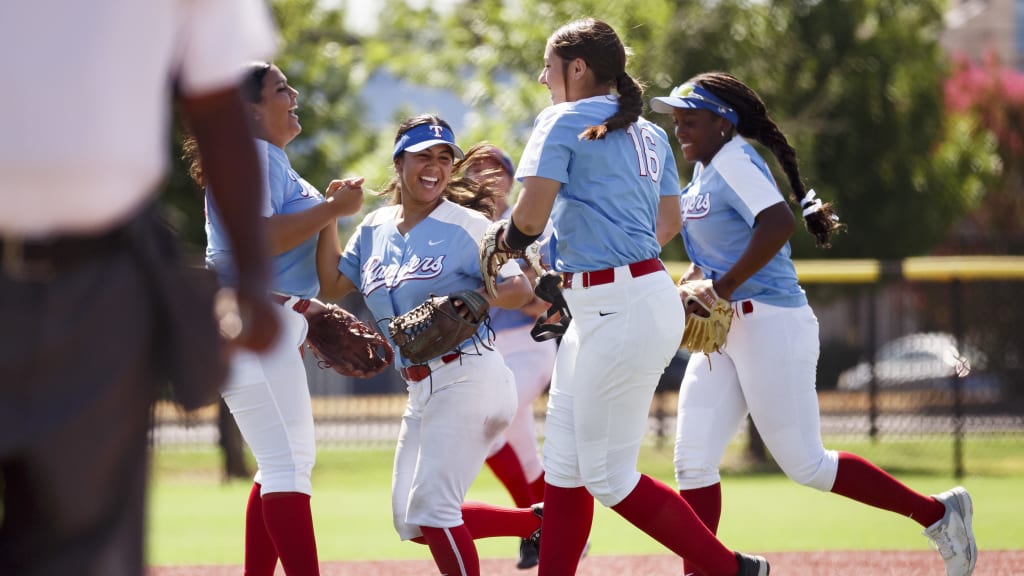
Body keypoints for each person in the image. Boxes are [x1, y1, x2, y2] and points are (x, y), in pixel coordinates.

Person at [650, 72, 977, 576]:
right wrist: (697, 283)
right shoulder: (706, 170)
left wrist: (723, 288)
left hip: (771, 324)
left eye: (689, 118)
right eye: (676, 118)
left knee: (806, 464)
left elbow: (778, 223)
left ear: (723, 121)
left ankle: (938, 514)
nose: (679, 127)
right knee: (692, 460)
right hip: (729, 330)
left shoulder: (735, 159)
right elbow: (714, 254)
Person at [0, 2, 280, 575]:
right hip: (96, 283)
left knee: (81, 551)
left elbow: (217, 102)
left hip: (97, 283)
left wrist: (253, 278)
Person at [496, 18, 769, 576]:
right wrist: (584, 260)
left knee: (609, 475)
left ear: (577, 68)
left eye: (549, 69)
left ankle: (731, 569)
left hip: (616, 308)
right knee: (564, 469)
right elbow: (667, 221)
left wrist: (504, 247)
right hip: (625, 297)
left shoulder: (562, 118)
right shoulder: (648, 131)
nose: (544, 80)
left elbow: (525, 221)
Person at [316, 114, 544, 576]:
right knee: (411, 522)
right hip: (420, 388)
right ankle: (538, 520)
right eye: (424, 155)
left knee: (435, 512)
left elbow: (518, 289)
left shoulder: (469, 225)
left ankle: (540, 521)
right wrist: (329, 217)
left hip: (470, 375)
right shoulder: (374, 228)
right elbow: (333, 284)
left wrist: (474, 298)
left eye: (445, 158)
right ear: (399, 162)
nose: (435, 166)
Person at [192, 61, 373, 576]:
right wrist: (330, 209)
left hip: (269, 319)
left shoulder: (271, 160)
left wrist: (335, 218)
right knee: (288, 466)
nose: (293, 94)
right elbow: (262, 238)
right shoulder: (249, 155)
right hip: (248, 318)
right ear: (250, 109)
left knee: (280, 466)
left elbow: (314, 270)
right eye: (280, 88)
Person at [463, 143, 557, 569]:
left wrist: (519, 293)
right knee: (524, 453)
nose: (485, 175)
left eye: (494, 168)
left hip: (529, 347)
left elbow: (552, 301)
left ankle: (532, 527)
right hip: (488, 353)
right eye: (475, 168)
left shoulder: (527, 225)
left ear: (510, 177)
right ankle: (553, 530)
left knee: (486, 425)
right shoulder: (463, 227)